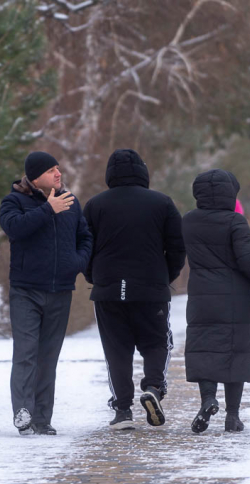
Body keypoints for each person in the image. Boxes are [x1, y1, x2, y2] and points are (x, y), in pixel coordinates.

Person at [83, 149, 185, 430]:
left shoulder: (94, 205)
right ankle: (153, 387)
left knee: (116, 349)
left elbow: (83, 247)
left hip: (108, 289)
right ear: (143, 172)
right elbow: (177, 246)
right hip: (151, 287)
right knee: (156, 342)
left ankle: (122, 411)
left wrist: (95, 276)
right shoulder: (162, 203)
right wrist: (166, 276)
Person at [0, 151, 92, 435]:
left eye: (58, 169)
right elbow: (13, 228)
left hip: (60, 290)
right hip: (26, 291)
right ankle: (23, 413)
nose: (58, 173)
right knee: (25, 354)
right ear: (35, 177)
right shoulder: (14, 201)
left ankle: (41, 418)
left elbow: (85, 238)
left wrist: (76, 263)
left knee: (48, 357)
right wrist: (47, 209)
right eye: (51, 170)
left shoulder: (71, 203)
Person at [181, 169, 250, 433]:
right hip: (234, 296)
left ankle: (208, 399)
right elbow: (248, 260)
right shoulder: (235, 222)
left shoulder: (188, 221)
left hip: (201, 295)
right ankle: (232, 416)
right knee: (235, 351)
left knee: (205, 347)